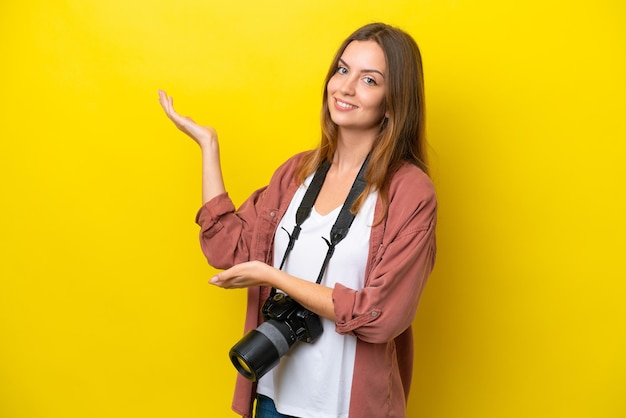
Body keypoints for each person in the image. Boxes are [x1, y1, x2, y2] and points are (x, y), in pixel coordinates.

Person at [159, 22, 437, 418]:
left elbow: (380, 316)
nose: (345, 87)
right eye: (342, 70)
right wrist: (209, 147)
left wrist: (274, 278)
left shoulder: (410, 192)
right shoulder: (297, 174)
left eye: (369, 80)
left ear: (393, 103)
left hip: (344, 408)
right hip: (273, 397)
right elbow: (227, 250)